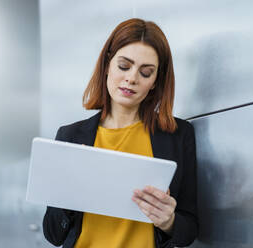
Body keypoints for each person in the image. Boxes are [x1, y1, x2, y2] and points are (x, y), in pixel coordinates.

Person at [42, 18, 198, 248]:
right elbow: (53, 234)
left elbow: (190, 229)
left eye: (146, 73)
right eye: (124, 66)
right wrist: (70, 193)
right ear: (107, 65)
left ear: (155, 81)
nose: (132, 78)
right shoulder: (71, 136)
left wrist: (168, 221)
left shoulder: (178, 135)